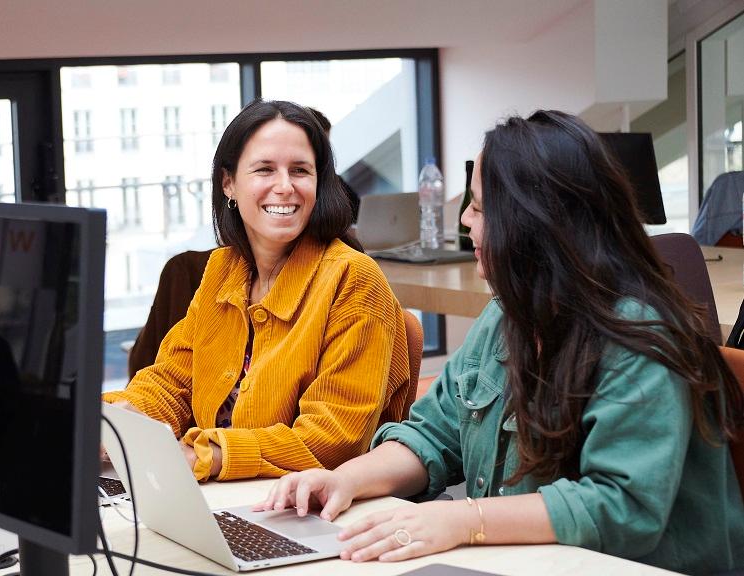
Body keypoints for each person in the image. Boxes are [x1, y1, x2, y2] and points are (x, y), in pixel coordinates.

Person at [257, 110, 744, 574]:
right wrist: (343, 480)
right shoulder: (505, 315)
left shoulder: (641, 338)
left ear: (531, 222)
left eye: (479, 207)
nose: (466, 222)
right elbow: (433, 435)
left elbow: (620, 506)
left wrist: (464, 520)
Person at [103, 100, 411, 482]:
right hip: (227, 493)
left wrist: (208, 455)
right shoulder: (224, 268)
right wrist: (112, 420)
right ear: (228, 183)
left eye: (300, 170)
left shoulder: (354, 278)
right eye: (265, 169)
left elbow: (333, 438)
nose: (285, 186)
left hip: (310, 502)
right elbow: (173, 382)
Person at [308, 107, 361, 223]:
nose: (326, 150)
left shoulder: (333, 180)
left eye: (327, 143)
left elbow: (359, 211)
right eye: (322, 143)